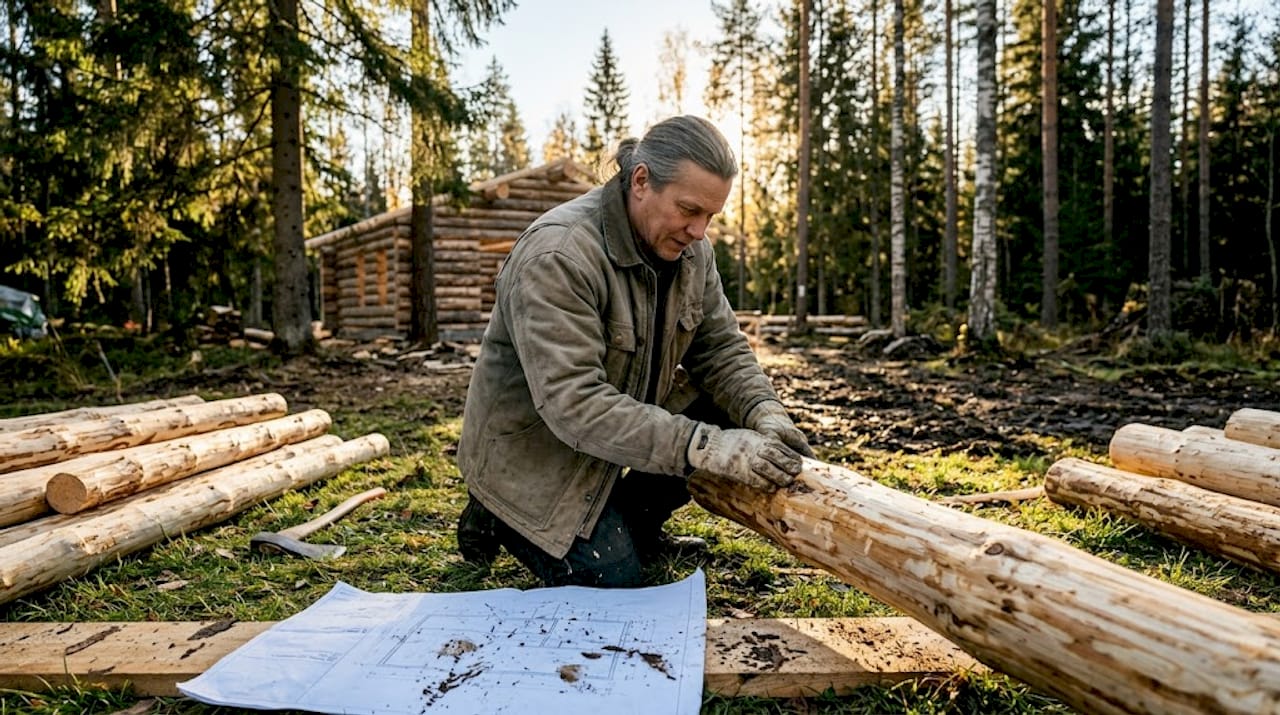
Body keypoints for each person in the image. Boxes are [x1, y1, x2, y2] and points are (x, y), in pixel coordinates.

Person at [455, 115, 813, 588]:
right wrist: (704, 446)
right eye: (689, 210)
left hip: (610, 436)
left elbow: (721, 347)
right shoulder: (558, 256)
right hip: (536, 453)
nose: (699, 231)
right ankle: (498, 506)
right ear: (641, 180)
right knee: (613, 579)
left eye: (710, 216)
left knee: (730, 410)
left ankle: (635, 527)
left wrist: (766, 413)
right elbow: (575, 405)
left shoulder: (691, 251)